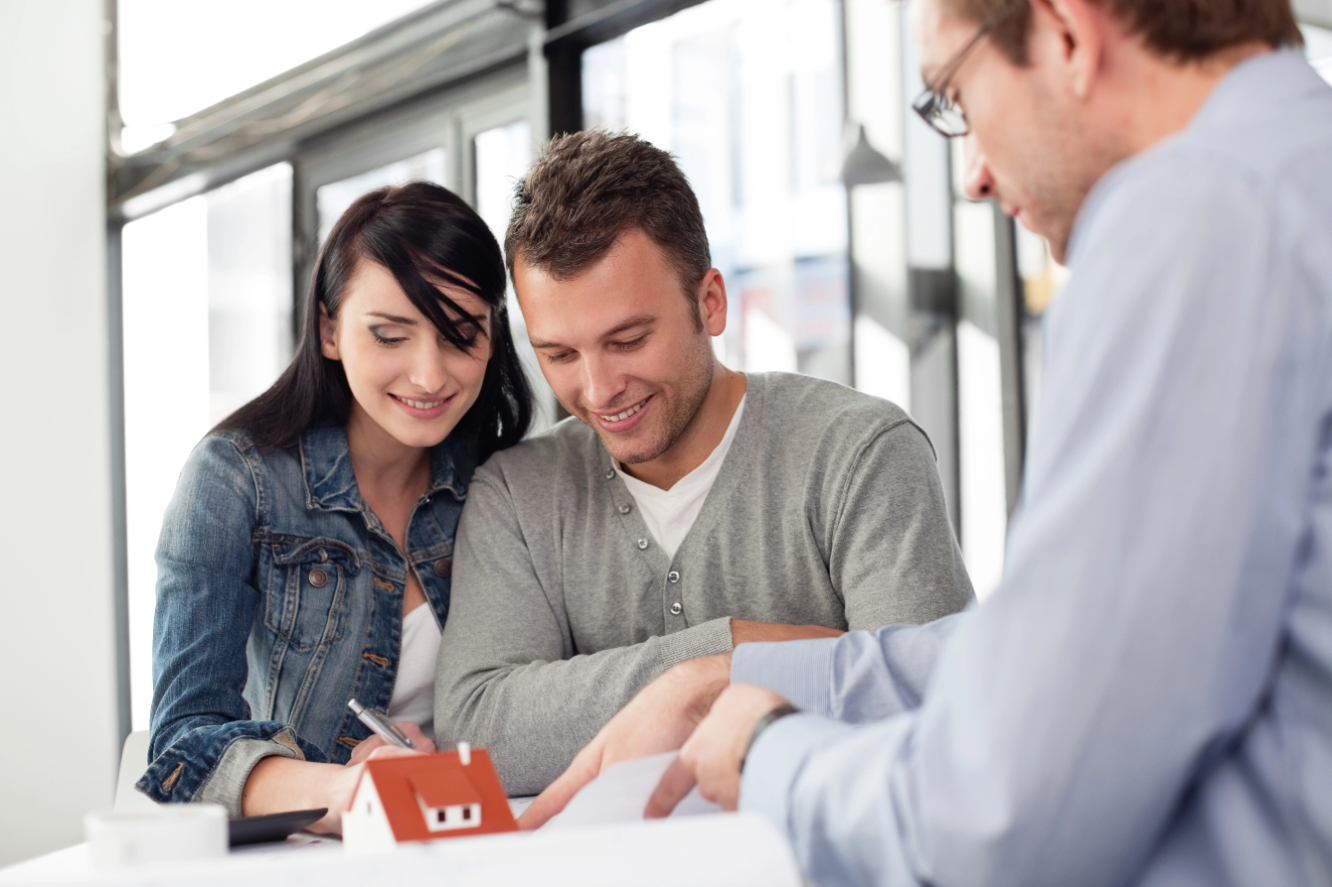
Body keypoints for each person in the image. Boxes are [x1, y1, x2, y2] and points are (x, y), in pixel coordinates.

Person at [522, 1, 1332, 884]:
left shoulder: (1198, 221)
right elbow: (1062, 653)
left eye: (955, 95)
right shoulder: (1289, 177)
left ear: (1066, 31)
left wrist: (772, 754)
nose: (973, 173)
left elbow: (1006, 810)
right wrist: (729, 674)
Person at [433, 131, 975, 796]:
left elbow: (933, 704)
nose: (598, 391)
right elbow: (479, 726)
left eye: (628, 340)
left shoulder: (859, 453)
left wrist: (701, 682)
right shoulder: (517, 496)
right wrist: (735, 648)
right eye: (560, 355)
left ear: (710, 302)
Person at [138, 182, 532, 833]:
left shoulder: (506, 481)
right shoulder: (235, 481)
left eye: (461, 335)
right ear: (328, 329)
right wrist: (350, 791)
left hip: (483, 836)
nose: (430, 375)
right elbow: (182, 749)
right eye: (390, 335)